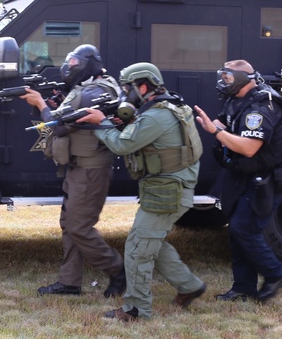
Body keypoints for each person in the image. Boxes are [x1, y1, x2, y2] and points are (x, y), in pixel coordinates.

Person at [76, 63, 206, 321]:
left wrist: (101, 123)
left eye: (128, 88)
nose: (126, 94)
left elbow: (122, 145)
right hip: (171, 187)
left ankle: (136, 310)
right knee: (149, 241)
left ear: (143, 86)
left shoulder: (157, 115)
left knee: (138, 249)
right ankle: (189, 286)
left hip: (168, 190)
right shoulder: (171, 106)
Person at [20, 44, 127, 298]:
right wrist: (50, 103)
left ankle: (119, 271)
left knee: (79, 227)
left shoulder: (93, 91)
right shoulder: (90, 87)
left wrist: (39, 102)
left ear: (88, 64)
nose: (69, 67)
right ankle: (69, 282)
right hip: (79, 167)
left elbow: (58, 126)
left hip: (90, 169)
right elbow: (64, 115)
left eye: (75, 62)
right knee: (69, 224)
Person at [193, 60, 282, 302]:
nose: (223, 82)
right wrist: (197, 122)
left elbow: (250, 148)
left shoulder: (263, 104)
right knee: (238, 230)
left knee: (244, 228)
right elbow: (225, 122)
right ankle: (243, 288)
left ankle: (276, 274)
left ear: (242, 79)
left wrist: (215, 132)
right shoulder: (237, 98)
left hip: (267, 177)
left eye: (227, 78)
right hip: (245, 173)